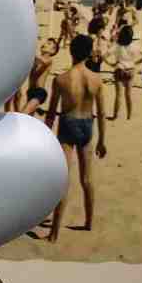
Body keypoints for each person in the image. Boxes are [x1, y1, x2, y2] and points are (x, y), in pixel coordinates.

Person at [45, 34, 107, 243]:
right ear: (89, 53)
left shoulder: (61, 79)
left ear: (71, 52)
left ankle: (54, 232)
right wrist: (102, 140)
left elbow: (51, 112)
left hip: (68, 124)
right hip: (87, 124)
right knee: (87, 179)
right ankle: (89, 222)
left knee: (64, 179)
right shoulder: (96, 79)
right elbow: (102, 113)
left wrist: (46, 136)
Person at [106, 25, 142, 120]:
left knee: (118, 95)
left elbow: (104, 56)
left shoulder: (117, 46)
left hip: (119, 69)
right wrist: (135, 63)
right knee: (128, 95)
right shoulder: (134, 46)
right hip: (130, 69)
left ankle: (115, 116)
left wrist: (111, 64)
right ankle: (129, 116)